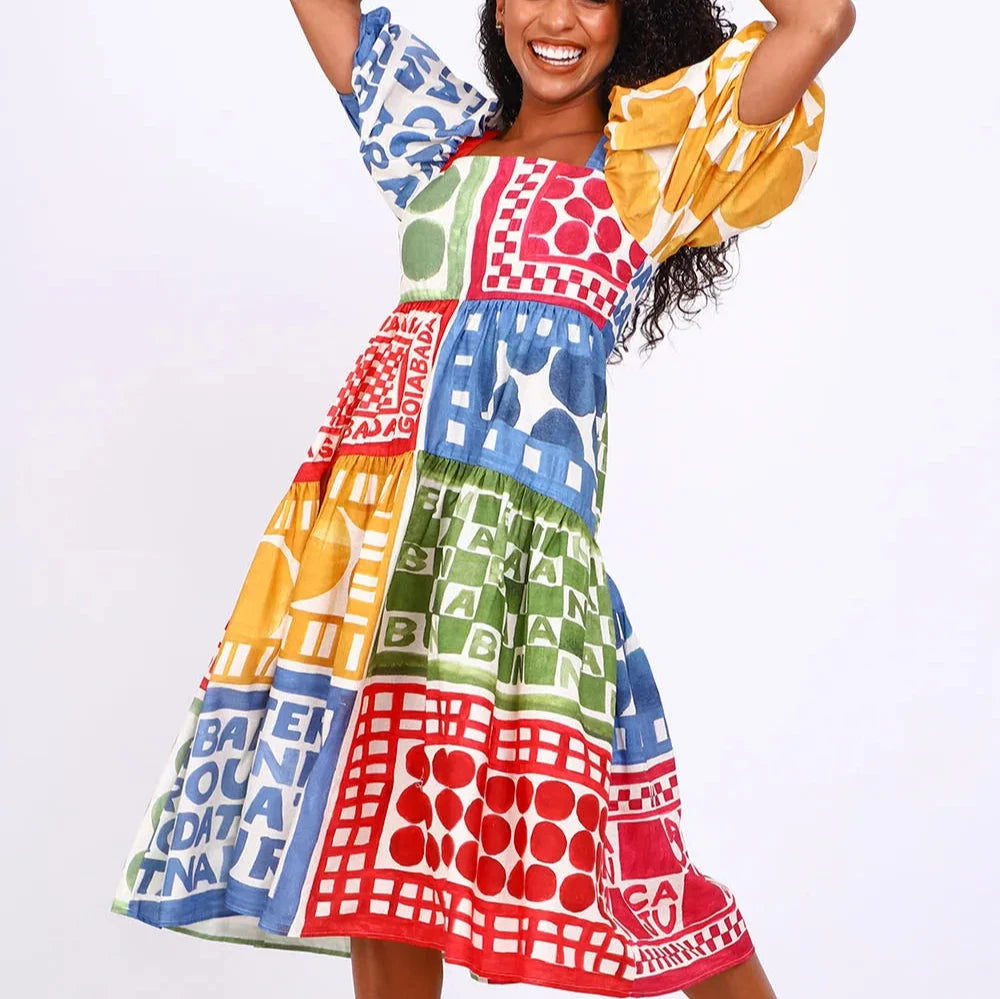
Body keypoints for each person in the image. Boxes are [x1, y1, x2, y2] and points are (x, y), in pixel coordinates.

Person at [111, 2, 855, 997]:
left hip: (516, 561)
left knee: (636, 872)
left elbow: (820, 21)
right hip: (376, 541)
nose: (558, 19)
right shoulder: (438, 140)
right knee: (374, 844)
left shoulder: (658, 157)